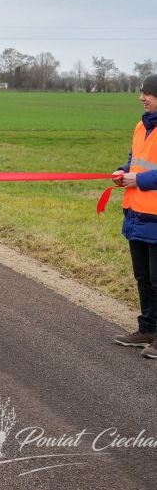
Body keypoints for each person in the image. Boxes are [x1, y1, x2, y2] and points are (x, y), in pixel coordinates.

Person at [111, 74, 157, 360]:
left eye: (148, 94)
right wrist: (122, 171)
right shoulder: (141, 125)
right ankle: (148, 329)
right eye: (142, 93)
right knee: (142, 276)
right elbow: (135, 160)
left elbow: (142, 173)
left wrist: (136, 180)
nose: (142, 98)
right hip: (137, 213)